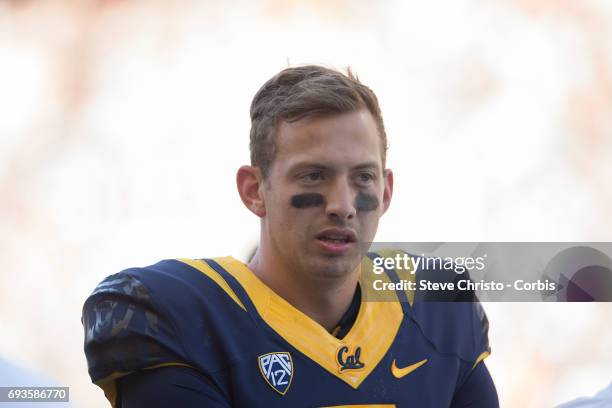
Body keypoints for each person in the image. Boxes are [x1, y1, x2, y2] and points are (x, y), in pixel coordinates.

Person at [82, 65, 498, 407]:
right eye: (314, 175)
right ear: (254, 190)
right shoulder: (181, 318)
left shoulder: (438, 308)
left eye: (362, 177)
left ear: (386, 192)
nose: (342, 204)